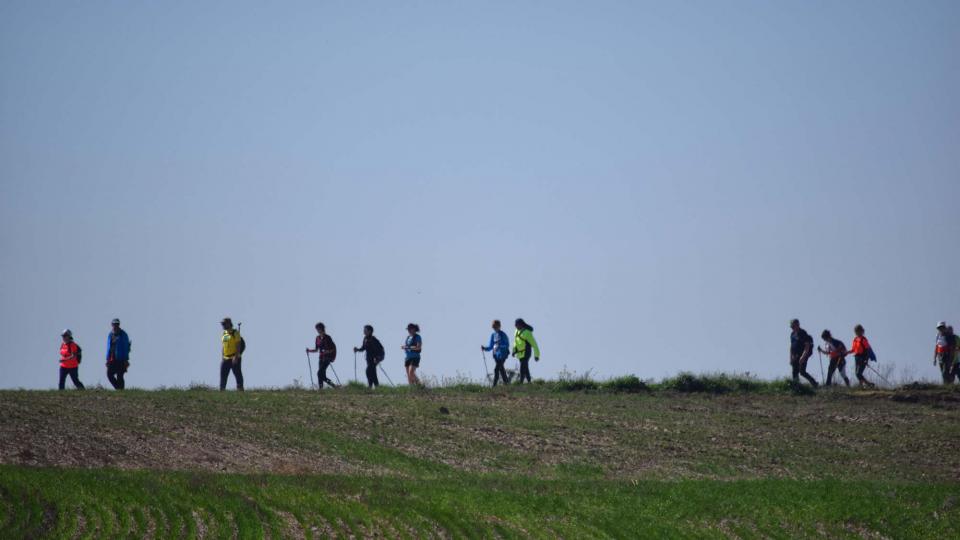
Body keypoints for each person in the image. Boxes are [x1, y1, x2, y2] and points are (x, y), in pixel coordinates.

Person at [307, 322, 338, 388]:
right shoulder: (317, 338)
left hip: (327, 358)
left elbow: (332, 349)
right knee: (322, 376)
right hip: (321, 358)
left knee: (319, 373)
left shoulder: (328, 338)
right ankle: (328, 388)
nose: (317, 330)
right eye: (317, 329)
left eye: (318, 329)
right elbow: (316, 350)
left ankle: (327, 387)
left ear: (321, 329)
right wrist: (309, 350)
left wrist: (326, 351)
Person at [789, 319, 818, 387]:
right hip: (795, 355)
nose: (792, 328)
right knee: (794, 371)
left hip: (803, 354)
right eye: (791, 327)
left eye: (793, 326)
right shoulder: (792, 334)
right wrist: (790, 357)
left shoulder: (803, 333)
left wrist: (803, 356)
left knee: (802, 372)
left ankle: (814, 383)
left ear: (798, 325)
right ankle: (796, 386)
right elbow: (791, 346)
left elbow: (807, 345)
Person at [482, 320, 511, 386]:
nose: (495, 328)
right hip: (496, 355)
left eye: (496, 326)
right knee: (501, 370)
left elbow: (507, 345)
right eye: (494, 327)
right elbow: (490, 346)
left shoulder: (503, 334)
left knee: (496, 369)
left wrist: (499, 345)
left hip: (503, 355)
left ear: (499, 326)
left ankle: (494, 386)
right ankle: (507, 384)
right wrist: (484, 348)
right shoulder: (493, 335)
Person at [105, 318, 131, 390]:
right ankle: (118, 389)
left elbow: (125, 347)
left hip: (121, 359)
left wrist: (126, 359)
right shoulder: (110, 334)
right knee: (109, 374)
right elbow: (108, 347)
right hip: (112, 358)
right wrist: (107, 359)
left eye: (117, 324)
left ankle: (120, 390)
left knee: (120, 376)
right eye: (114, 324)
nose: (115, 325)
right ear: (112, 325)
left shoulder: (123, 334)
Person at [512, 318, 540, 384]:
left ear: (521, 325)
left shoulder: (527, 333)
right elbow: (515, 342)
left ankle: (520, 383)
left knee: (522, 367)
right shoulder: (516, 332)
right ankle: (529, 382)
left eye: (517, 325)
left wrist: (536, 355)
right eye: (515, 325)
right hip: (520, 353)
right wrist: (514, 350)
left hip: (527, 352)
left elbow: (534, 344)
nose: (515, 326)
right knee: (525, 368)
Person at [220, 317, 244, 391]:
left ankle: (240, 389)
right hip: (226, 358)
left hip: (235, 357)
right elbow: (224, 346)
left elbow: (238, 345)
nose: (223, 325)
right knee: (223, 375)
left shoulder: (235, 332)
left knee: (237, 374)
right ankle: (222, 390)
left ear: (229, 324)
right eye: (222, 324)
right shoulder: (224, 334)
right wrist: (223, 356)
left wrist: (236, 356)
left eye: (224, 324)